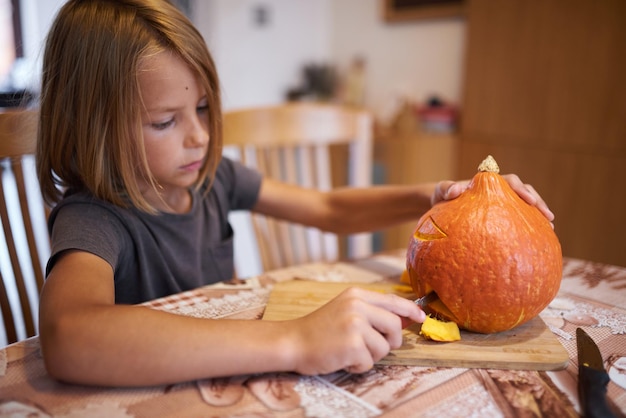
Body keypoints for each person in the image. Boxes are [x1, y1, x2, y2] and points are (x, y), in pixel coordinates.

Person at [36, 0, 554, 387]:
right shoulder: (92, 219)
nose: (199, 135)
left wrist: (441, 194)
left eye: (201, 110)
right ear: (93, 128)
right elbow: (69, 336)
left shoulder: (211, 178)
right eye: (165, 121)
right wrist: (297, 338)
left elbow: (329, 209)